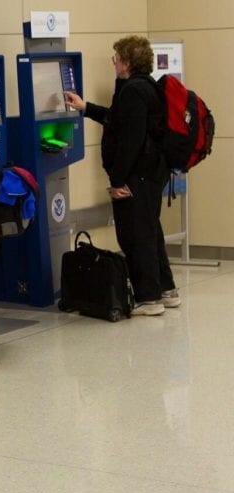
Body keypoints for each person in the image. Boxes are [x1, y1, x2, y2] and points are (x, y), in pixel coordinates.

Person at [65, 36, 177, 315]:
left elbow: (130, 140)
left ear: (126, 62)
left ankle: (149, 299)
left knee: (136, 236)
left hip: (138, 177)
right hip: (151, 174)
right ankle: (166, 290)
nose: (113, 63)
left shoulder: (133, 92)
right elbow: (118, 120)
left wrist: (117, 180)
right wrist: (86, 107)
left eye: (115, 58)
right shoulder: (145, 87)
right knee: (150, 231)